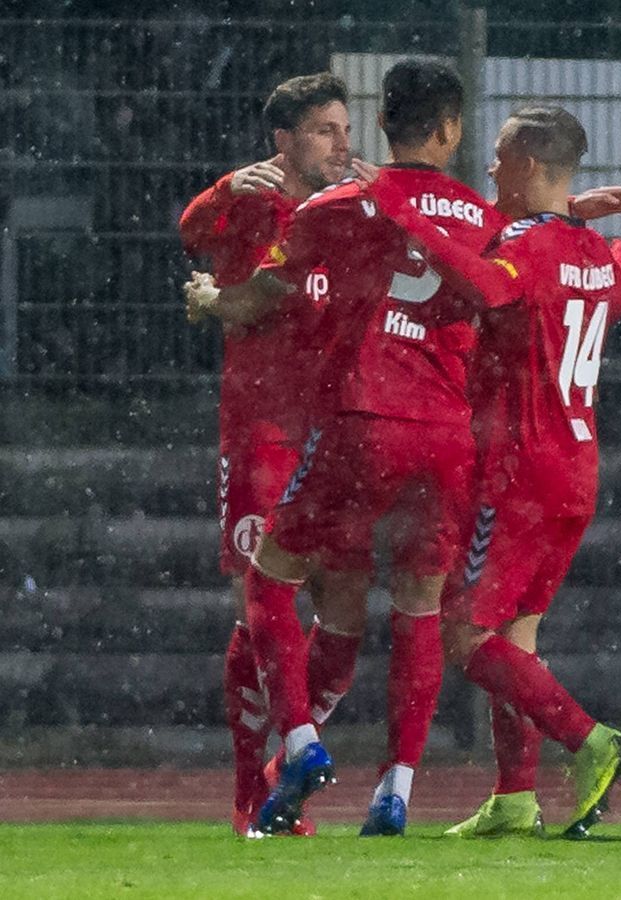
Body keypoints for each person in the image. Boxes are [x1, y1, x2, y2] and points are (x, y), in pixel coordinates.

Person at [352, 103, 621, 840]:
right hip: (578, 468)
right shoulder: (600, 253)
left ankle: (588, 739)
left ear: (529, 167)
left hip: (518, 468)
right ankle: (516, 796)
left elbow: (488, 284)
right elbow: (619, 286)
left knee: (462, 636)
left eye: (502, 157)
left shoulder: (529, 245)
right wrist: (576, 218)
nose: (488, 168)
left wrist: (401, 214)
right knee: (517, 637)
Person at [178, 72, 365, 836]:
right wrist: (225, 188)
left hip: (342, 429)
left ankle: (282, 760)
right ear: (283, 141)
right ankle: (251, 790)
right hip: (263, 429)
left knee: (347, 611)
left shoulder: (354, 207)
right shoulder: (253, 203)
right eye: (326, 130)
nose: (343, 143)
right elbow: (192, 231)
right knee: (260, 602)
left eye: (345, 129)